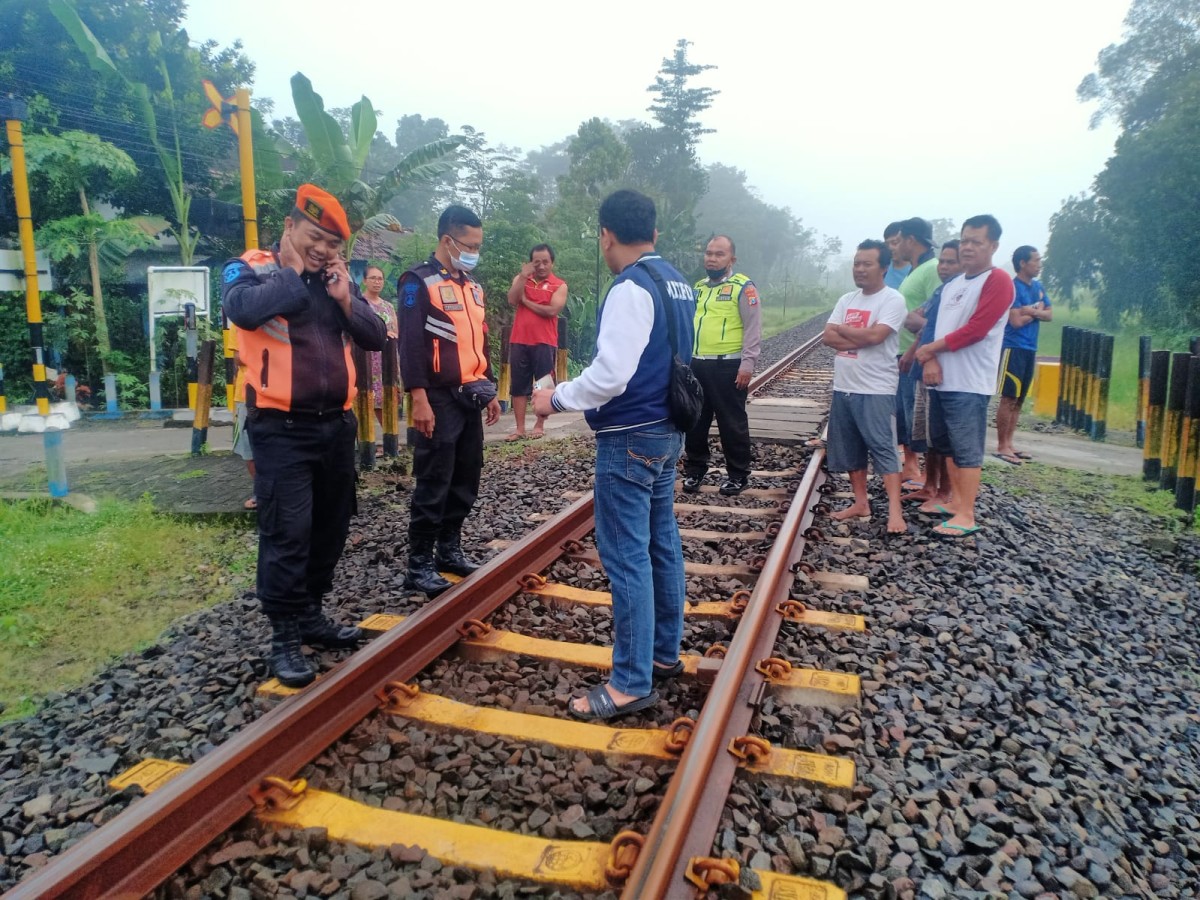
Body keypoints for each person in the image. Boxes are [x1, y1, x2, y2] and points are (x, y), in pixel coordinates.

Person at [532, 189, 693, 722]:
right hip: (669, 431)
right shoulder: (677, 280)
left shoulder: (630, 287)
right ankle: (663, 654)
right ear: (654, 231)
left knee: (627, 557)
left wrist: (555, 398)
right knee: (661, 545)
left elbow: (612, 375)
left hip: (630, 436)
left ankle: (629, 683)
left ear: (605, 234)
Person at [222, 184, 387, 687]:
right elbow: (242, 311)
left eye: (333, 244)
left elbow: (375, 336)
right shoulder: (249, 269)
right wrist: (295, 273)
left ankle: (312, 612)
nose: (323, 251)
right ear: (290, 227)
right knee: (287, 533)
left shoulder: (336, 280)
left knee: (331, 526)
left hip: (335, 427)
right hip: (281, 429)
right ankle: (285, 635)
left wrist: (345, 299)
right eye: (315, 237)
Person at [398, 205, 501, 596]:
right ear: (447, 240)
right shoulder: (417, 282)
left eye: (478, 245)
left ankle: (448, 549)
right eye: (469, 244)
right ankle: (418, 563)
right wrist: (418, 398)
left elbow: (480, 342)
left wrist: (488, 389)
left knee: (465, 476)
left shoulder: (472, 287)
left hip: (469, 396)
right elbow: (409, 346)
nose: (474, 252)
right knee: (434, 478)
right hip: (437, 398)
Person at [915, 215, 1015, 538]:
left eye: (977, 242)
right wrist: (930, 358)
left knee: (967, 447)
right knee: (946, 445)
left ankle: (967, 514)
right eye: (965, 241)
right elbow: (934, 327)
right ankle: (955, 501)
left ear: (993, 246)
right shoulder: (953, 286)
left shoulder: (998, 281)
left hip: (970, 381)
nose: (968, 247)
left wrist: (930, 350)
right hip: (942, 379)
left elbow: (977, 330)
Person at [821, 240, 908, 535]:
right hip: (844, 386)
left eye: (866, 263)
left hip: (876, 389)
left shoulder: (892, 300)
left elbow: (877, 336)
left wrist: (846, 331)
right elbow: (828, 337)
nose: (859, 269)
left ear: (883, 268)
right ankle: (861, 503)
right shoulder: (847, 299)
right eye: (857, 263)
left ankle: (895, 511)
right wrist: (860, 335)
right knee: (850, 449)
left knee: (883, 448)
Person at [682, 234, 762, 496]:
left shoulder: (743, 287)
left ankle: (738, 475)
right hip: (697, 364)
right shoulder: (699, 288)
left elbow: (753, 329)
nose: (712, 258)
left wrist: (747, 364)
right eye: (708, 253)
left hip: (728, 366)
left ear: (732, 259)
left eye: (719, 254)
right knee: (695, 421)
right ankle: (695, 471)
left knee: (732, 423)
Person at [902, 239, 962, 509]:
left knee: (942, 437)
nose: (945, 267)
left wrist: (920, 324)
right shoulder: (941, 292)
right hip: (923, 368)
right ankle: (929, 486)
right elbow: (922, 324)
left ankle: (944, 492)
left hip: (943, 372)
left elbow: (944, 330)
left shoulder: (961, 294)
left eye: (952, 262)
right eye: (943, 261)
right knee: (927, 435)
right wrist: (912, 350)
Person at [894, 217, 941, 486]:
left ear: (911, 240)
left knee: (917, 414)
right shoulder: (916, 270)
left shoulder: (932, 269)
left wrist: (914, 349)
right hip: (903, 353)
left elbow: (935, 315)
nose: (896, 246)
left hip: (916, 354)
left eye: (899, 240)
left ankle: (923, 473)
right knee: (905, 412)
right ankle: (911, 467)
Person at [995, 245, 1052, 463]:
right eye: (1035, 260)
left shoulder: (1038, 286)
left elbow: (1049, 314)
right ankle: (1001, 445)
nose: (1039, 264)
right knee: (1008, 397)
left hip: (1030, 348)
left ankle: (1010, 443)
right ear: (1022, 263)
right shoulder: (1012, 287)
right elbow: (1016, 321)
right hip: (1013, 347)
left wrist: (1031, 311)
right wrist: (1036, 311)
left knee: (1019, 399)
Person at [506, 243, 567, 439]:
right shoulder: (521, 279)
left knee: (543, 385)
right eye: (536, 262)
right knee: (518, 385)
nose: (541, 266)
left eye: (545, 262)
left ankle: (539, 425)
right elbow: (512, 299)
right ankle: (519, 428)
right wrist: (523, 277)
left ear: (552, 263)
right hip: (519, 340)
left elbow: (551, 311)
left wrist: (527, 301)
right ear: (530, 263)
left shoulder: (559, 285)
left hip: (545, 341)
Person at [360, 265, 400, 434]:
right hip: (368, 357)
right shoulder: (360, 304)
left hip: (388, 357)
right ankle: (372, 440)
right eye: (373, 278)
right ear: (364, 281)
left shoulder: (388, 307)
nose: (377, 282)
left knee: (389, 396)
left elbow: (396, 330)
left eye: (380, 279)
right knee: (369, 398)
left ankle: (389, 437)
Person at [883, 221, 912, 289]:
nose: (890, 248)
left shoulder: (915, 268)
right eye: (887, 244)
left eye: (894, 243)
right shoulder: (883, 268)